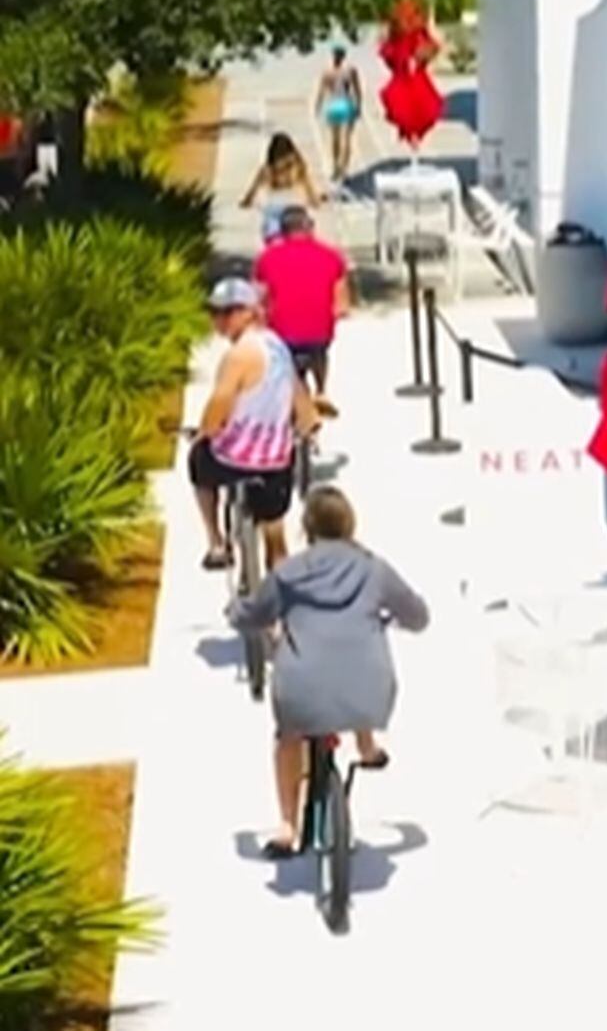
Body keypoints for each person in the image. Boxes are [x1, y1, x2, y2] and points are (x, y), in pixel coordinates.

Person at [228, 485, 430, 858]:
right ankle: (366, 747)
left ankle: (287, 826)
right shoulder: (374, 568)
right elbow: (418, 616)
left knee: (289, 736)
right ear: (351, 524)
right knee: (355, 658)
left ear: (306, 529)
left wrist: (235, 610)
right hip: (370, 691)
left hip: (302, 691)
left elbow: (251, 615)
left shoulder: (288, 574)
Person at [189, 278, 318, 571]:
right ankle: (281, 599)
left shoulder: (237, 356)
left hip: (232, 459)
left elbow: (217, 408)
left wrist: (201, 433)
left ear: (248, 312)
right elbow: (299, 394)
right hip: (275, 461)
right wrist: (308, 424)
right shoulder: (278, 347)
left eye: (227, 312)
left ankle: (216, 543)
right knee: (275, 533)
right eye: (215, 312)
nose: (219, 320)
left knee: (198, 460)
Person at [254, 205, 350, 398]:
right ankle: (321, 390)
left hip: (282, 330)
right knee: (320, 351)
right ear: (310, 227)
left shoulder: (266, 258)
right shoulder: (332, 256)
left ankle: (293, 393)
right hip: (320, 331)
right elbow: (341, 303)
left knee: (280, 357)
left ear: (282, 231)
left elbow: (259, 298)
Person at [240, 132, 319, 242]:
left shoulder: (266, 170)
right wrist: (315, 202)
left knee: (274, 243)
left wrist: (247, 202)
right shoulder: (298, 168)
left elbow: (249, 197)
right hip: (296, 212)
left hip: (274, 214)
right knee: (303, 242)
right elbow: (312, 196)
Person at [315, 45, 362, 188]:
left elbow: (321, 91)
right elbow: (357, 90)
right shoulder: (350, 70)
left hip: (333, 104)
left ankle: (335, 167)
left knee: (334, 139)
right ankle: (344, 170)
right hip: (346, 104)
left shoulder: (327, 72)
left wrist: (318, 106)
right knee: (347, 139)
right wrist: (359, 105)